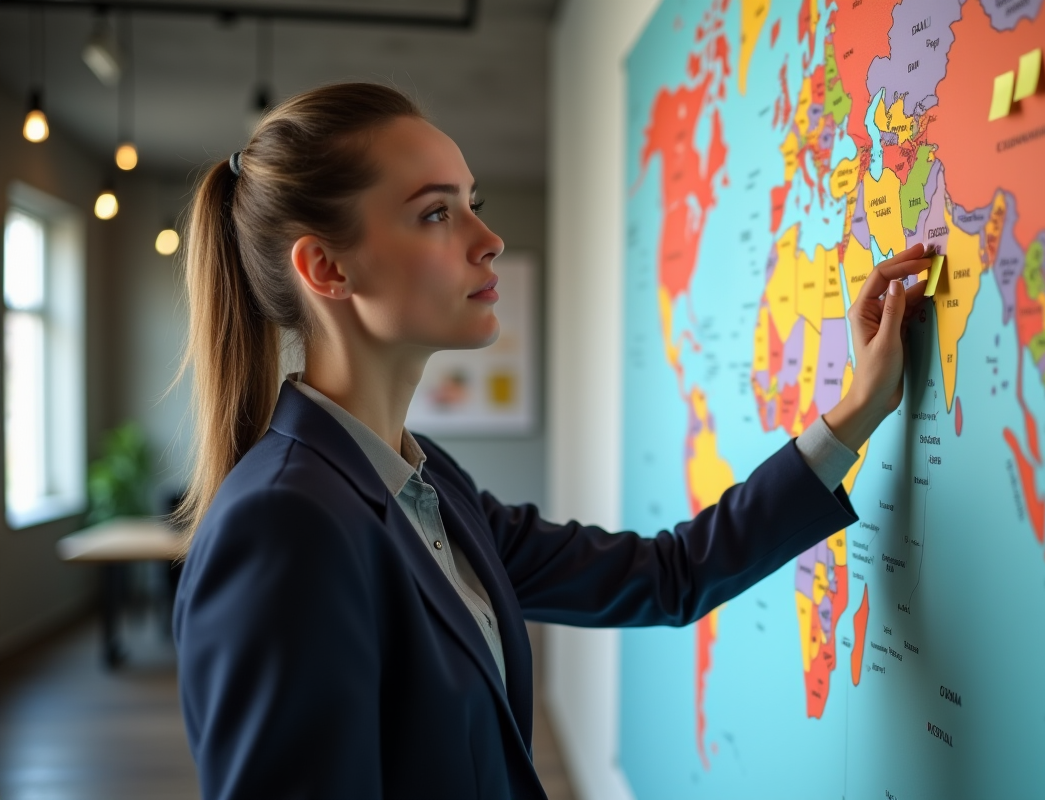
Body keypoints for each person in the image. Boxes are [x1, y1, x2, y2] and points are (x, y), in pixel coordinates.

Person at [172, 82, 931, 800]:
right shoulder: (283, 524)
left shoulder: (428, 483)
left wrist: (855, 413)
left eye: (473, 203)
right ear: (327, 268)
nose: (490, 238)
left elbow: (668, 575)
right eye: (436, 214)